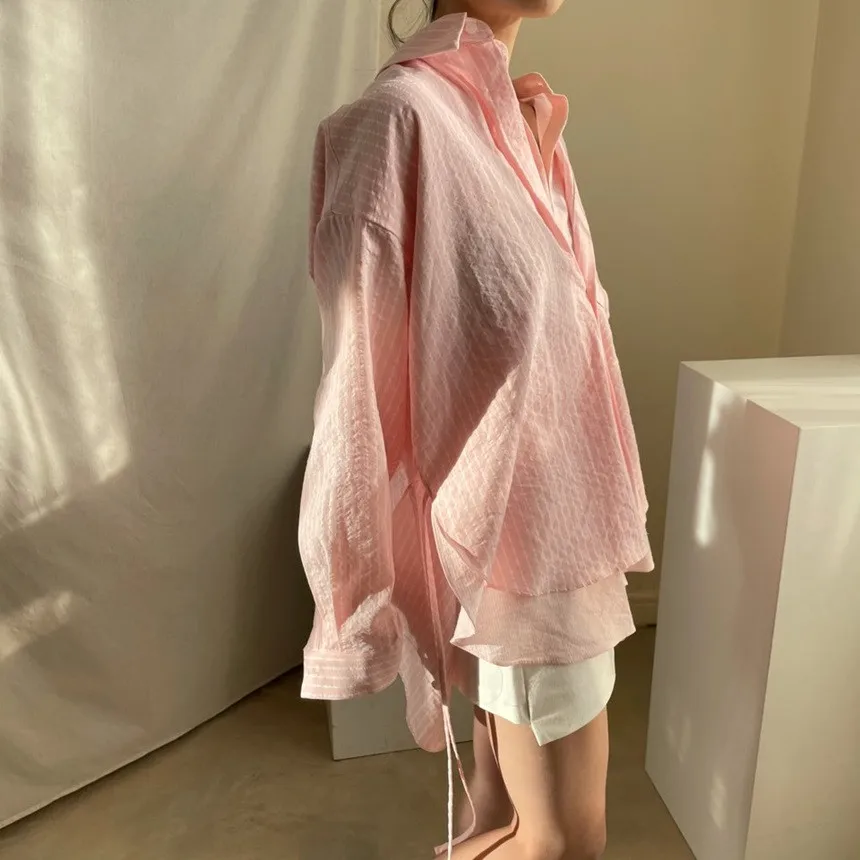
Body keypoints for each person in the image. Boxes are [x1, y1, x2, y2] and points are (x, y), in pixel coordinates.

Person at [298, 2, 653, 857]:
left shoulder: (524, 121)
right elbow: (355, 391)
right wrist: (360, 589)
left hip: (569, 536)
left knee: (499, 820)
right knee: (563, 841)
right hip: (518, 563)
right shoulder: (398, 122)